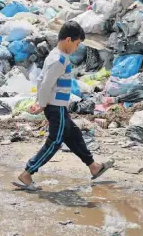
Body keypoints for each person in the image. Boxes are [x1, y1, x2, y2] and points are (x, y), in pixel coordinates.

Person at [16, 21, 113, 191]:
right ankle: (27, 172)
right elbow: (46, 84)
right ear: (68, 40)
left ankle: (93, 166)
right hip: (56, 108)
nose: (76, 48)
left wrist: (39, 101)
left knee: (73, 135)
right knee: (55, 142)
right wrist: (41, 104)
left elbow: (40, 81)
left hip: (58, 107)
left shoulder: (55, 55)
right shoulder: (59, 60)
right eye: (76, 44)